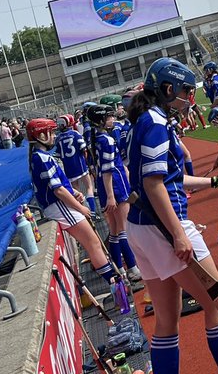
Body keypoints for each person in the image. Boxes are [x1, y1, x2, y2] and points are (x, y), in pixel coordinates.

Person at [123, 58, 218, 374]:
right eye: (185, 91)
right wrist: (179, 232)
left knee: (167, 320)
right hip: (163, 227)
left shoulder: (146, 120)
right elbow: (154, 185)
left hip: (140, 227)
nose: (189, 98)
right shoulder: (155, 123)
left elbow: (167, 178)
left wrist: (215, 183)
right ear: (168, 89)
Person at [26, 118, 123, 290]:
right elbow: (58, 191)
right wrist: (81, 208)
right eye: (51, 132)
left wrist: (74, 192)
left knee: (94, 242)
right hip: (59, 206)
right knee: (93, 243)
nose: (54, 135)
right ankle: (115, 284)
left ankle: (114, 281)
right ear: (41, 135)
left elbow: (61, 186)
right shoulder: (41, 158)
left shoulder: (40, 156)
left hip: (59, 204)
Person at [89, 103, 142, 282]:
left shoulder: (97, 138)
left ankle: (120, 269)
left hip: (107, 187)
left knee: (114, 230)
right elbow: (108, 170)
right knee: (123, 229)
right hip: (116, 186)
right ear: (101, 120)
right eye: (108, 117)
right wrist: (112, 195)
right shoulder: (107, 140)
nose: (112, 119)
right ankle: (133, 268)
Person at [56, 114, 97, 215]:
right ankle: (92, 211)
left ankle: (85, 212)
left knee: (77, 192)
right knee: (89, 187)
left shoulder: (58, 138)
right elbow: (84, 149)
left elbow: (58, 155)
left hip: (69, 169)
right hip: (80, 166)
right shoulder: (75, 134)